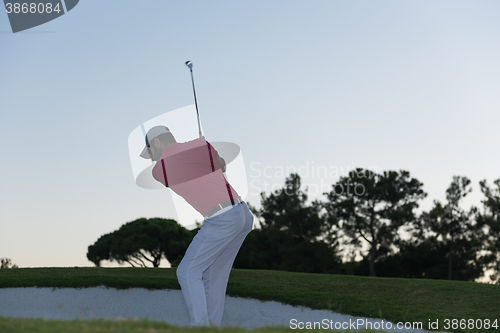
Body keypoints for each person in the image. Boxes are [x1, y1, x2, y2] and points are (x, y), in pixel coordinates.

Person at [139, 125, 253, 326]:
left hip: (222, 218)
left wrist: (203, 150)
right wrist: (204, 147)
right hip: (242, 214)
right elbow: (222, 165)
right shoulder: (199, 145)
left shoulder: (160, 169)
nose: (152, 158)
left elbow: (185, 166)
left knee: (186, 272)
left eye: (150, 152)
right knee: (214, 278)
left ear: (156, 142)